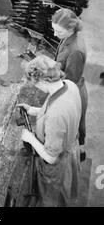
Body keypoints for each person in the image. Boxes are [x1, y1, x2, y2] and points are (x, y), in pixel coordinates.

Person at [19, 55, 81, 207]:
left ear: (42, 81)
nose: (36, 86)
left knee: (51, 197)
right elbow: (59, 111)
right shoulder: (69, 85)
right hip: (73, 145)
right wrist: (33, 110)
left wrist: (30, 138)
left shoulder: (55, 115)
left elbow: (51, 157)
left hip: (58, 163)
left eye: (35, 83)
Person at [52, 8, 88, 161]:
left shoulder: (76, 51)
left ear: (71, 28)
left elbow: (70, 81)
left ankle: (79, 152)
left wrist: (50, 77)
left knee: (75, 124)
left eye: (58, 32)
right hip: (70, 83)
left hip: (74, 92)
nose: (55, 35)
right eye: (54, 30)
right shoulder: (68, 37)